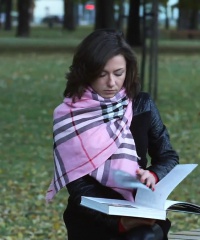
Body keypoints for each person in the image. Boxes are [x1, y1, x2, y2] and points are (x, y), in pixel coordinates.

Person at [46, 29, 179, 240]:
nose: (111, 83)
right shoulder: (69, 116)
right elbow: (78, 186)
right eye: (101, 74)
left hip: (140, 210)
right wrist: (118, 222)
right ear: (86, 72)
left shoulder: (141, 105)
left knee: (145, 235)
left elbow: (168, 156)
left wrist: (152, 175)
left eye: (119, 73)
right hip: (91, 218)